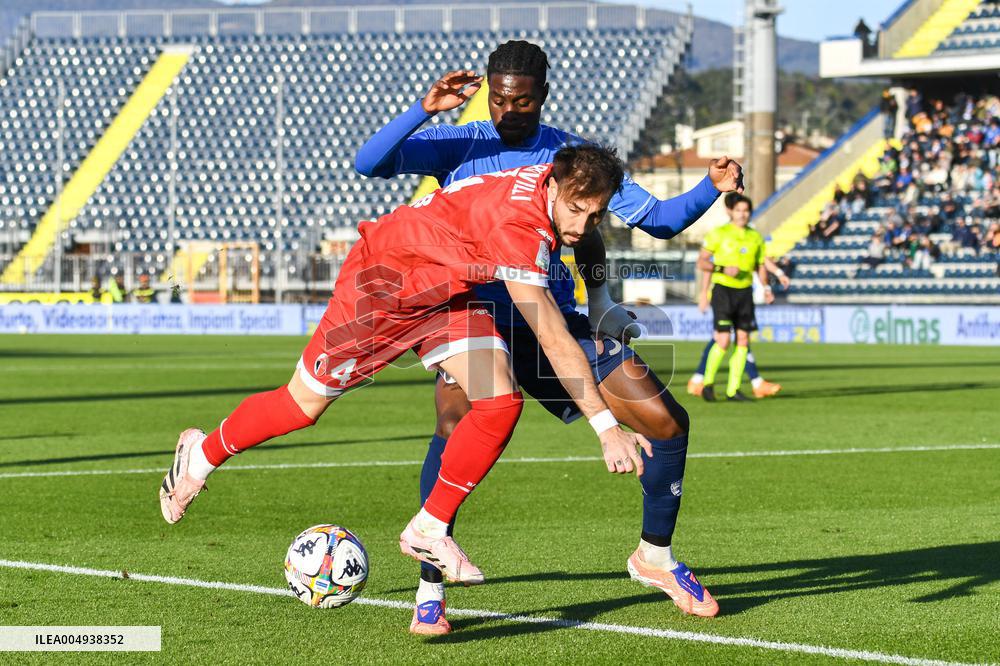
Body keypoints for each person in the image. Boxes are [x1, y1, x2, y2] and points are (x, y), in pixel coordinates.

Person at [356, 40, 735, 632]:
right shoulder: (461, 141)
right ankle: (431, 584)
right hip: (472, 317)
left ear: (543, 97)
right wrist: (422, 109)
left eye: (523, 101)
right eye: (500, 99)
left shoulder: (568, 158)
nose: (510, 112)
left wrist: (711, 186)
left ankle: (654, 557)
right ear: (487, 92)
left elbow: (658, 220)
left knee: (666, 422)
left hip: (553, 320)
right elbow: (370, 162)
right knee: (455, 426)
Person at [158, 145, 653, 591]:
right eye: (575, 210)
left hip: (445, 293)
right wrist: (606, 427)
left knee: (500, 400)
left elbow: (568, 235)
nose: (582, 225)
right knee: (301, 406)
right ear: (550, 186)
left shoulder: (549, 184)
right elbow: (552, 336)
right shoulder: (517, 230)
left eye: (596, 214)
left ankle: (428, 528)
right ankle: (200, 454)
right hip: (381, 287)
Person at [687, 193, 786, 400]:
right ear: (730, 211)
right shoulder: (719, 233)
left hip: (745, 292)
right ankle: (708, 384)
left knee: (742, 340)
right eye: (739, 210)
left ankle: (733, 390)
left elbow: (760, 265)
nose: (743, 214)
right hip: (723, 291)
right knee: (722, 340)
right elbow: (701, 262)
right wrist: (721, 268)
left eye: (746, 210)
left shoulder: (755, 237)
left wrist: (767, 288)